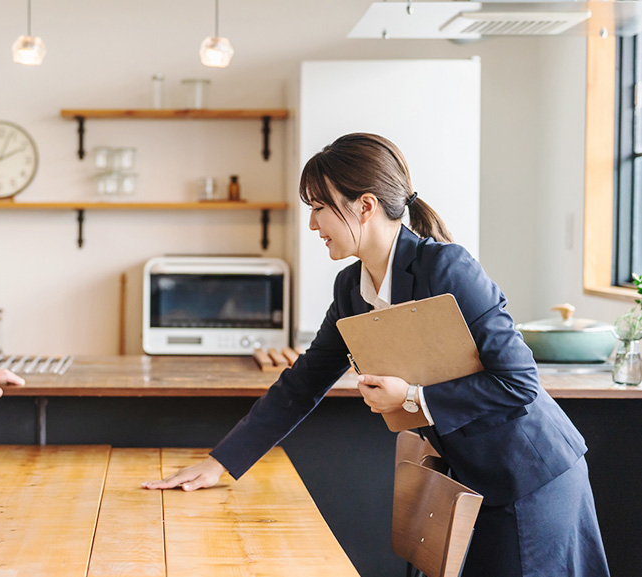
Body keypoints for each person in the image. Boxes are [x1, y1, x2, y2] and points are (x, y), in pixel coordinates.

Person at [144, 133, 610, 577]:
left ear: (365, 206)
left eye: (320, 208)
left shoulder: (447, 268)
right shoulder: (352, 288)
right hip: (472, 482)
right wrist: (220, 463)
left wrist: (412, 397)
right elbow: (303, 382)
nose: (312, 224)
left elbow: (519, 382)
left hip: (532, 477)